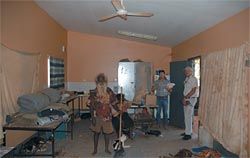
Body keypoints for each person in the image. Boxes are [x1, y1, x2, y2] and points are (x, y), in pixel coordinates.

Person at [88, 73, 117, 155]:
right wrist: (92, 117)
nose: (101, 83)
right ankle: (95, 150)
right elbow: (90, 106)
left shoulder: (109, 91)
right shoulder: (93, 92)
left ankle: (107, 149)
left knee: (107, 134)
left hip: (107, 116)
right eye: (99, 81)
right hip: (97, 116)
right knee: (96, 133)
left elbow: (114, 102)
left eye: (102, 81)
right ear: (97, 82)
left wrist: (119, 110)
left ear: (105, 82)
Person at [182, 66, 199, 140]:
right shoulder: (187, 78)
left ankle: (188, 134)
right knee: (187, 116)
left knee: (188, 116)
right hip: (187, 98)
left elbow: (193, 90)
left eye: (187, 71)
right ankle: (188, 131)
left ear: (191, 71)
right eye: (185, 71)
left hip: (190, 98)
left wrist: (186, 98)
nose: (185, 72)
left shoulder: (193, 79)